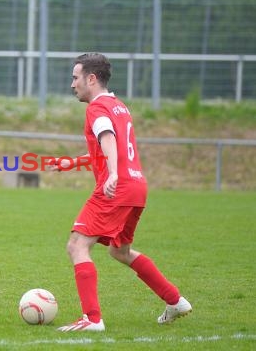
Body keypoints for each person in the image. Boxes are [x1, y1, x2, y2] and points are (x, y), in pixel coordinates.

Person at [52, 53, 192, 331]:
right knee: (120, 251)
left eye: (75, 77)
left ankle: (92, 319)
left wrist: (113, 174)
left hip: (117, 188)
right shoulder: (118, 106)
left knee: (77, 246)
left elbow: (107, 138)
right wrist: (75, 162)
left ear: (91, 79)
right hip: (137, 187)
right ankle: (175, 300)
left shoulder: (96, 109)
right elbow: (107, 148)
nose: (72, 84)